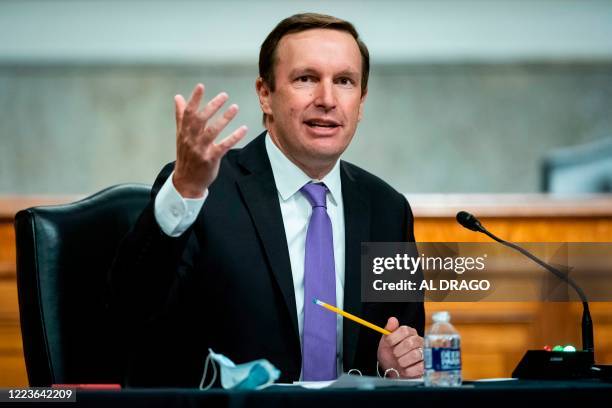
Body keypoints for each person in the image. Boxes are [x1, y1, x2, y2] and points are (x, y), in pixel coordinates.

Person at [109, 12, 424, 387]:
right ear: (265, 94)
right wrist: (185, 191)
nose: (327, 99)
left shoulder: (388, 209)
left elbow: (402, 348)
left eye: (344, 81)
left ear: (361, 100)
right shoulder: (202, 190)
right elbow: (129, 312)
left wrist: (396, 366)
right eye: (306, 79)